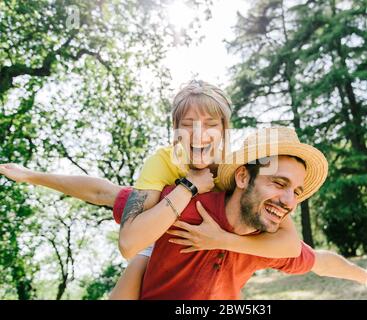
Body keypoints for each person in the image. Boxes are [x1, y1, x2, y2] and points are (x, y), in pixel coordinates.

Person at [0, 81, 302, 299]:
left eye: (210, 123)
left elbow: (288, 241)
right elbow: (124, 231)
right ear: (175, 132)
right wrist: (189, 186)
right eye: (187, 123)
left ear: (224, 131)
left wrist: (221, 240)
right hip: (155, 233)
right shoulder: (163, 162)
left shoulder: (235, 169)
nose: (198, 133)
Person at [112, 127, 367, 299]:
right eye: (279, 183)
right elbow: (107, 194)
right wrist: (65, 180)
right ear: (243, 177)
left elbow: (318, 261)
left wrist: (364, 276)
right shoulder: (183, 204)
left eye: (296, 192)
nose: (289, 201)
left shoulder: (267, 244)